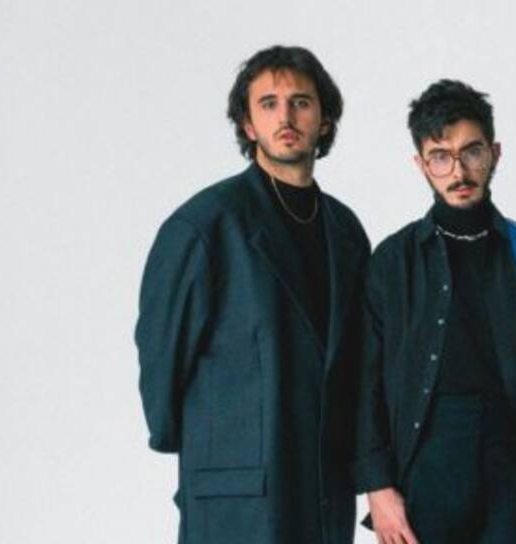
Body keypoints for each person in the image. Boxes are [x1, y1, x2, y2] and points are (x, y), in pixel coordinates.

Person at [135, 45, 369, 544]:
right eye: (268, 104)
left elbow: (358, 364)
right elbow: (162, 359)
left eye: (301, 102)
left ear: (325, 120)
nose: (285, 117)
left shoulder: (346, 232)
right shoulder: (205, 225)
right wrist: (207, 447)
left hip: (323, 490)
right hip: (236, 494)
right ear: (247, 124)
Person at [352, 80, 516, 544]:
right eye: (441, 156)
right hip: (427, 465)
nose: (458, 171)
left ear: (495, 153)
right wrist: (377, 487)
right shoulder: (392, 261)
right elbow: (366, 384)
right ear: (421, 164)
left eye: (472, 152)